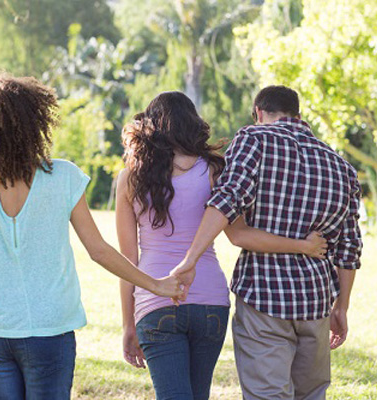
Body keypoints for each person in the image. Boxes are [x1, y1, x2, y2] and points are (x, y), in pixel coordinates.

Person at [0, 72, 182, 400]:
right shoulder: (63, 176)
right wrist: (155, 285)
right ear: (34, 122)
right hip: (50, 330)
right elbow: (98, 250)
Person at [116, 91, 328, 400]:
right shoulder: (216, 170)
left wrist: (127, 324)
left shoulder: (130, 178)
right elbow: (239, 235)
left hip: (154, 300)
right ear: (193, 123)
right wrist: (302, 245)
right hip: (211, 301)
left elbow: (127, 259)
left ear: (150, 126)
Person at [171, 85, 363, 400]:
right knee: (311, 395)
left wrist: (190, 259)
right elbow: (349, 248)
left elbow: (228, 199)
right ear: (298, 115)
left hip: (264, 298)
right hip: (316, 304)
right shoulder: (342, 166)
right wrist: (341, 307)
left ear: (259, 113)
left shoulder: (254, 139)